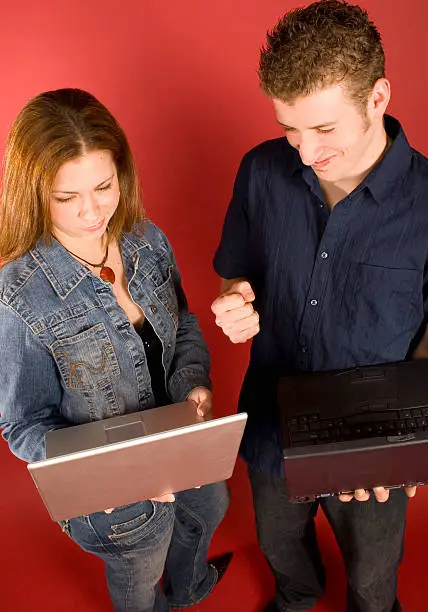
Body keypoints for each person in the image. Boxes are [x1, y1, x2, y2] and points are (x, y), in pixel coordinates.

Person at [211, 2, 428, 611]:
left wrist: (404, 439)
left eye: (324, 130)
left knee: (373, 580)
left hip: (374, 440)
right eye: (289, 129)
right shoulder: (259, 171)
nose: (303, 151)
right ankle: (300, 597)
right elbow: (238, 271)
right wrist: (234, 299)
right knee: (280, 545)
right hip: (272, 423)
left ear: (379, 97)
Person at [0, 88, 232, 612]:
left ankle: (189, 588)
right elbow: (23, 424)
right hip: (107, 487)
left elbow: (185, 324)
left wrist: (194, 385)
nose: (90, 212)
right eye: (66, 197)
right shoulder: (16, 296)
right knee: (141, 559)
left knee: (210, 505)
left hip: (180, 441)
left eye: (104, 186)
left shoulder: (148, 239)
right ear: (33, 193)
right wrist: (104, 472)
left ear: (121, 173)